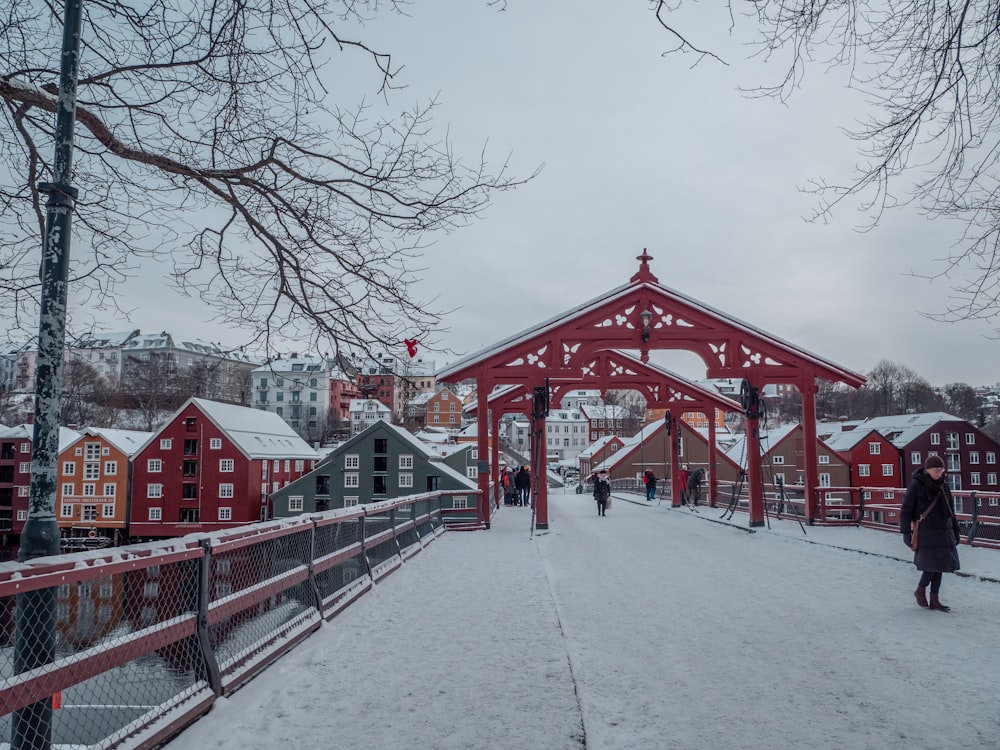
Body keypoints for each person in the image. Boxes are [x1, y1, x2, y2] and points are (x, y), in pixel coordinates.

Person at [900, 454, 961, 611]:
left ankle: (935, 599)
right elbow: (906, 510)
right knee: (931, 566)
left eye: (941, 469)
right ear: (927, 470)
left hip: (944, 531)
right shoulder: (917, 485)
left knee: (941, 566)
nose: (938, 472)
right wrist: (906, 532)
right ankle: (921, 589)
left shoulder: (944, 486)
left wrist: (956, 530)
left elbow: (951, 511)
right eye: (935, 469)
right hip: (926, 532)